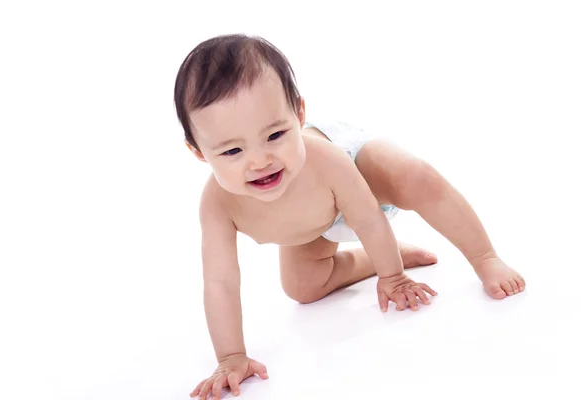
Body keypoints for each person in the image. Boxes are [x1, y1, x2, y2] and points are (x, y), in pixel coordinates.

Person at [174, 33, 526, 400]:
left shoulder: (325, 158)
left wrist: (394, 278)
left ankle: (485, 257)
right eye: (232, 151)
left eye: (276, 134)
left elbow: (369, 218)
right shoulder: (217, 205)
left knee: (416, 179)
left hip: (357, 175)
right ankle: (372, 259)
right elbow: (220, 283)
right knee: (302, 288)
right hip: (314, 223)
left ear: (299, 114)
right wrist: (231, 356)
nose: (260, 160)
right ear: (199, 152)